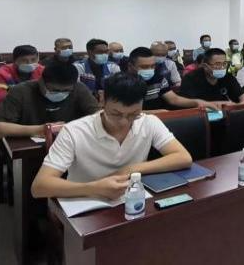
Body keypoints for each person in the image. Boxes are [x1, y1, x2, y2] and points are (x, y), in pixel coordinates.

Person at [31, 73, 192, 200]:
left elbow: (183, 157)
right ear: (102, 100)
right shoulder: (74, 131)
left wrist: (130, 169)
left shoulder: (148, 122)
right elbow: (39, 187)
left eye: (133, 114)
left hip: (130, 198)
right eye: (116, 114)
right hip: (85, 201)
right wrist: (93, 188)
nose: (124, 122)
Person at [0, 61, 98, 139]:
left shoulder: (79, 88)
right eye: (54, 90)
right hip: (29, 149)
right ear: (40, 81)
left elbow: (98, 116)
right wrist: (40, 130)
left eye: (66, 91)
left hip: (70, 144)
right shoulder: (20, 91)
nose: (60, 94)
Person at [127, 47, 217, 112]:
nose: (150, 70)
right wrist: (156, 113)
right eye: (144, 67)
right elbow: (126, 112)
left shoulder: (158, 78)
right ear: (130, 66)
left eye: (152, 66)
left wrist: (198, 102)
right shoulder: (123, 84)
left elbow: (174, 99)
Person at [179, 48, 244, 104]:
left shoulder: (228, 77)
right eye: (217, 64)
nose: (222, 67)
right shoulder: (190, 78)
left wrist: (238, 106)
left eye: (224, 64)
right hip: (200, 115)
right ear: (205, 66)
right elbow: (187, 104)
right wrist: (219, 104)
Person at [0, 45, 44, 109]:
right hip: (10, 108)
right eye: (24, 60)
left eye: (33, 60)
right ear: (15, 61)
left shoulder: (43, 71)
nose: (29, 63)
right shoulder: (1, 73)